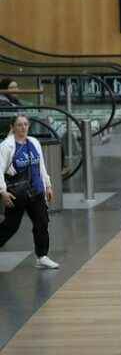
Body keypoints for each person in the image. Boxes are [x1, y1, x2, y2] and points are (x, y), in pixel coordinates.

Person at [0, 115, 58, 269]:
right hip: (17, 193)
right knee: (10, 226)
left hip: (36, 191)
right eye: (19, 125)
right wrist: (2, 191)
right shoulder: (7, 146)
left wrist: (48, 185)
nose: (23, 127)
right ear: (13, 127)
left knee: (42, 222)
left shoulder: (34, 142)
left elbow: (41, 166)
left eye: (26, 124)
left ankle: (42, 256)